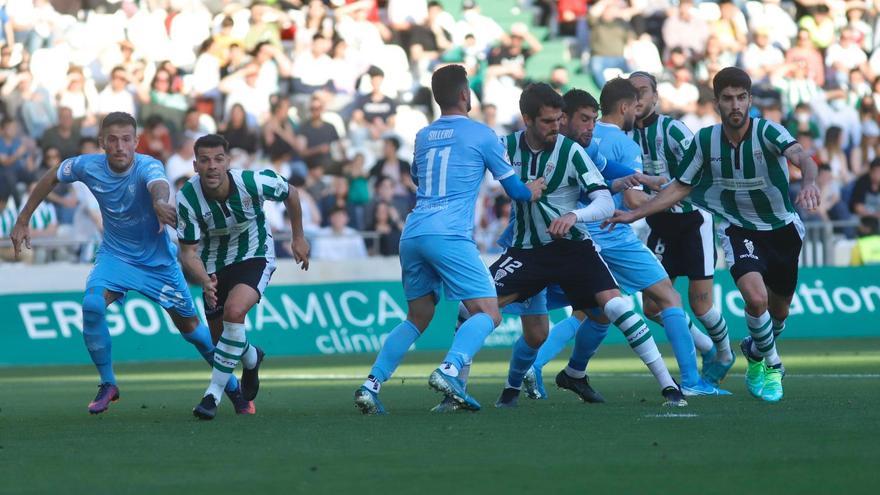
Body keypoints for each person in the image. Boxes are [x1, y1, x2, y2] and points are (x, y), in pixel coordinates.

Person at [10, 112, 251, 415]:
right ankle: (107, 383)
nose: (120, 146)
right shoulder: (87, 165)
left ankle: (232, 388)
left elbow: (158, 186)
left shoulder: (148, 165)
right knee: (92, 306)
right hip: (115, 256)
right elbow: (52, 176)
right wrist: (23, 219)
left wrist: (160, 204)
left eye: (127, 139)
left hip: (158, 264)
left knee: (192, 330)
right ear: (102, 143)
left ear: (137, 142)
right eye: (113, 139)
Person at [605, 67, 821, 403]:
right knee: (755, 298)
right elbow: (680, 185)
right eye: (727, 98)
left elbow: (802, 158)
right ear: (717, 102)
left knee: (779, 313)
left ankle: (754, 350)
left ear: (749, 100)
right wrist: (634, 214)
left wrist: (809, 182)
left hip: (781, 230)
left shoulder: (768, 132)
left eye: (741, 98)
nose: (735, 105)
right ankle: (772, 364)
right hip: (736, 228)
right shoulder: (706, 140)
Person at [513, 80, 723, 405]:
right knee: (667, 297)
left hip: (565, 240)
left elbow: (608, 175)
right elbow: (631, 197)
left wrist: (647, 180)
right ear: (626, 107)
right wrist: (669, 198)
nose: (590, 126)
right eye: (585, 119)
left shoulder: (579, 142)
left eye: (593, 119)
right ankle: (692, 379)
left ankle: (563, 371)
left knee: (592, 314)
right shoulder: (625, 144)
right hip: (609, 234)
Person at [352, 64, 544, 415]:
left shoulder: (424, 136)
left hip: (413, 233)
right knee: (489, 312)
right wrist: (533, 189)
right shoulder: (482, 134)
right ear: (463, 95)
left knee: (417, 316)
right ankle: (450, 369)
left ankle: (371, 384)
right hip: (449, 234)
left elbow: (417, 177)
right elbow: (515, 190)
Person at [177, 134, 310, 420]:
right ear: (195, 165)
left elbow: (292, 193)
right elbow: (187, 253)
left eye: (218, 159)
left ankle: (211, 396)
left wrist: (298, 237)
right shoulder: (187, 198)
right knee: (222, 342)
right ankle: (251, 358)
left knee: (234, 312)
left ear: (227, 162)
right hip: (213, 265)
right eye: (205, 160)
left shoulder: (252, 182)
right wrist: (204, 279)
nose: (212, 166)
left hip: (255, 254)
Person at [628, 71, 736, 385]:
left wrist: (654, 191)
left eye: (643, 91)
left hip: (692, 221)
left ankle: (725, 352)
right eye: (632, 93)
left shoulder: (672, 130)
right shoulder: (623, 137)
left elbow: (699, 171)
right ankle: (706, 348)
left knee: (701, 303)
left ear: (655, 96)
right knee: (651, 305)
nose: (638, 98)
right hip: (659, 224)